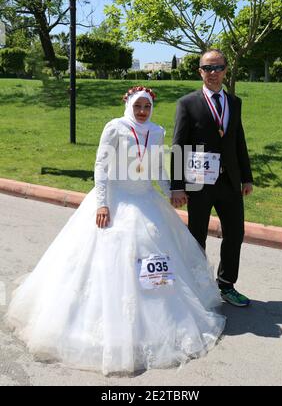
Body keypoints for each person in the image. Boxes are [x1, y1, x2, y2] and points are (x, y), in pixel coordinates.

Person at [6, 86, 225, 376]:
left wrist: (171, 189)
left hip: (147, 202)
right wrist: (102, 204)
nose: (143, 111)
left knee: (154, 261)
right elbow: (101, 166)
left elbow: (157, 167)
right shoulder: (116, 127)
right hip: (117, 200)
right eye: (138, 106)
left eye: (147, 106)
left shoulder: (157, 131)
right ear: (129, 104)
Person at [171, 49, 253, 307]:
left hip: (229, 181)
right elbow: (178, 145)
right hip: (198, 182)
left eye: (218, 68)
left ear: (226, 70)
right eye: (208, 68)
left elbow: (238, 141)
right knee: (196, 236)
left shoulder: (234, 102)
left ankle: (227, 285)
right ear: (200, 72)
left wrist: (247, 177)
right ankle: (196, 286)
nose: (213, 73)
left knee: (235, 233)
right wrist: (177, 187)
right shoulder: (188, 103)